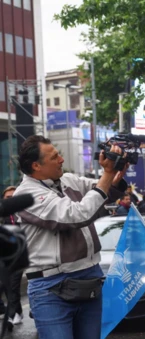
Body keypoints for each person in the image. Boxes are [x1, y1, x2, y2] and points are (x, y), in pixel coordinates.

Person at [12, 135, 127, 339]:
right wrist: (107, 174)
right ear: (36, 166)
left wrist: (116, 171)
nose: (61, 160)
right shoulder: (25, 195)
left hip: (89, 276)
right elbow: (75, 215)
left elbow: (102, 190)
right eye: (55, 157)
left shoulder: (67, 180)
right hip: (51, 286)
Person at [1, 186, 24, 331]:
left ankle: (14, 313)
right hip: (5, 258)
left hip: (21, 256)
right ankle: (17, 311)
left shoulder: (23, 213)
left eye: (13, 197)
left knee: (14, 285)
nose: (11, 200)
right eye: (8, 197)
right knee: (7, 286)